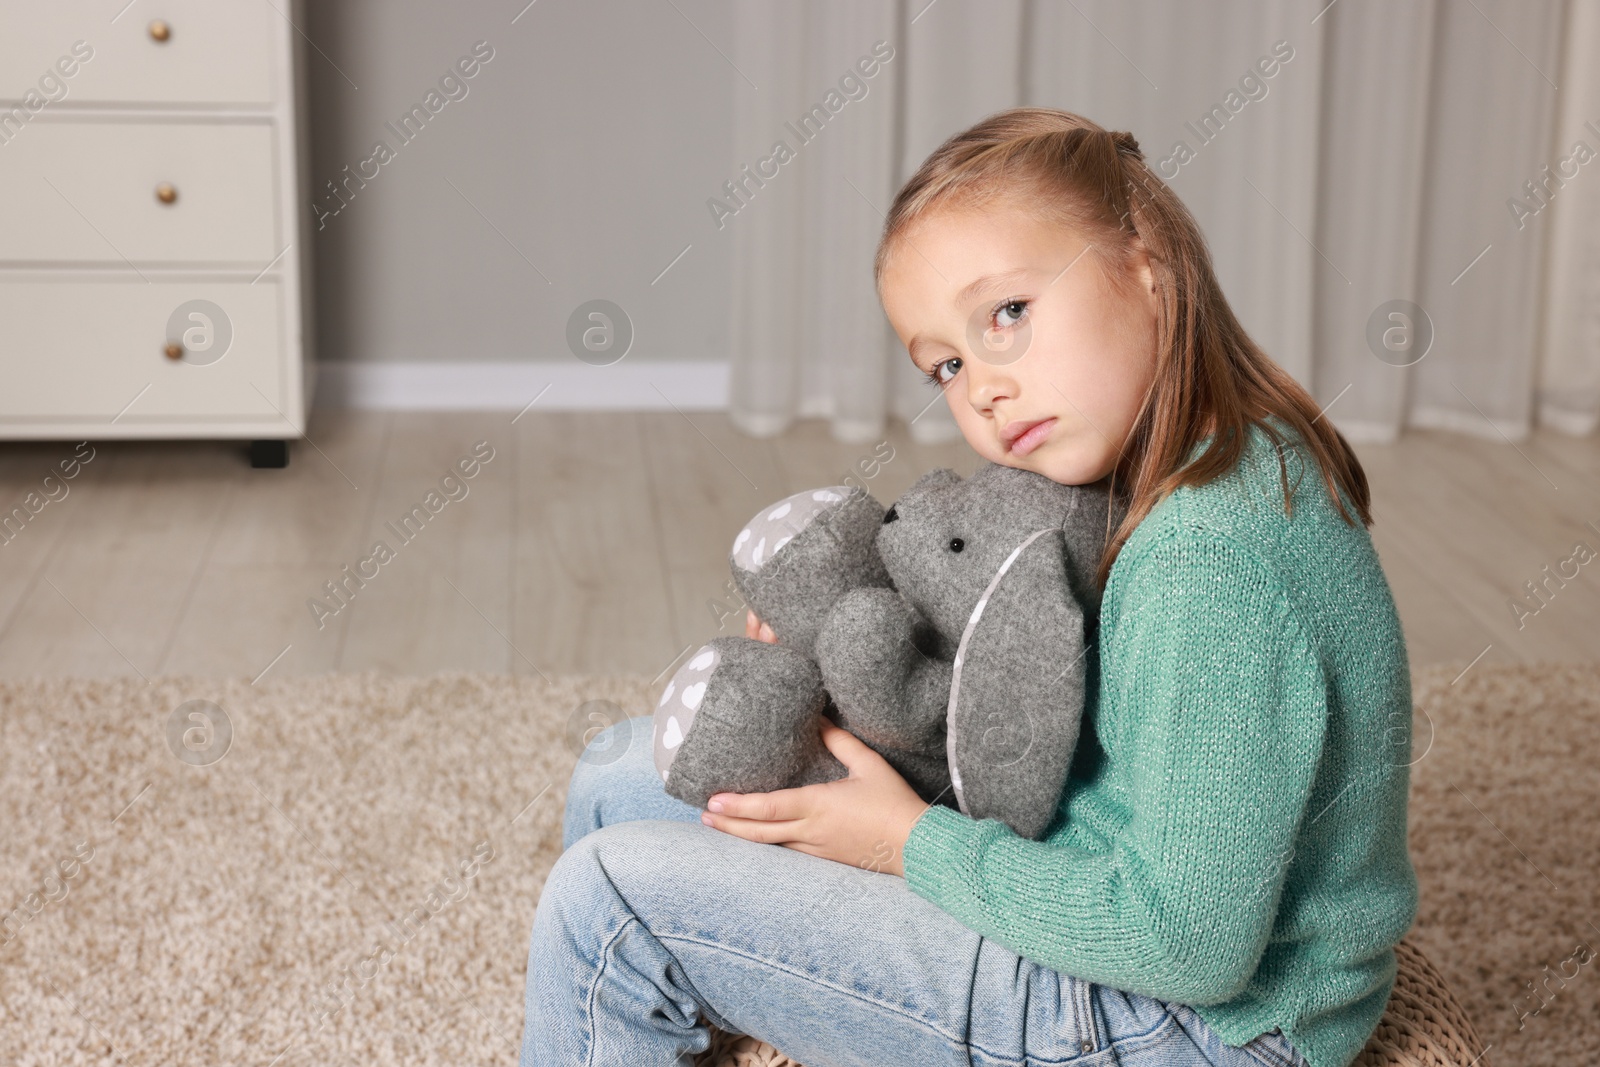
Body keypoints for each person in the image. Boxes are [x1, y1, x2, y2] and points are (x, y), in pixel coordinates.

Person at [518, 107, 1418, 1067]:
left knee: (607, 900)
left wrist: (909, 844)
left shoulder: (1214, 561)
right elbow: (1043, 691)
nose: (982, 385)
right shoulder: (1176, 457)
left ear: (1146, 266)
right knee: (619, 780)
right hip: (1093, 885)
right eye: (946, 362)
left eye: (1010, 314)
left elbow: (1187, 943)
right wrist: (852, 690)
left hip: (1186, 1025)